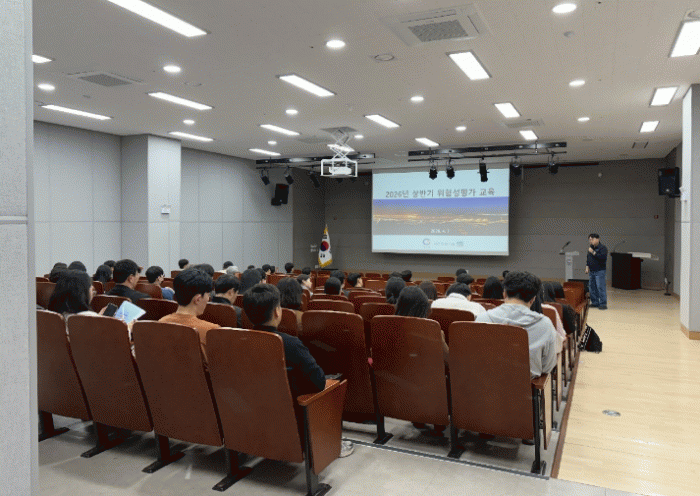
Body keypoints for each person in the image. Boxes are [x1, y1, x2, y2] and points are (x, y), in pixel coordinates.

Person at [242, 284, 355, 457]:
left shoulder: (240, 340)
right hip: (294, 417)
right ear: (277, 312)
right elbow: (319, 382)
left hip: (257, 415)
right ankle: (330, 443)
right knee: (333, 385)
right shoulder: (291, 344)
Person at [475, 271, 557, 378]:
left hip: (485, 383)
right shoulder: (545, 325)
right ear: (533, 299)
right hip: (527, 386)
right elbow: (547, 367)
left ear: (504, 294)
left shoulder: (482, 319)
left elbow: (475, 357)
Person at [159, 269, 219, 363]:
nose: (208, 299)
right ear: (198, 299)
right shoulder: (211, 331)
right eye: (208, 295)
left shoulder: (161, 322)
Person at [586, 233, 608, 310]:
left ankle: (603, 304)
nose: (590, 241)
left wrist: (593, 252)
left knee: (600, 287)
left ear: (597, 239)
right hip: (592, 271)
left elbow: (602, 258)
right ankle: (595, 302)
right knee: (592, 288)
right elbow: (588, 258)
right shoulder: (591, 248)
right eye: (589, 240)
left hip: (600, 271)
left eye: (592, 239)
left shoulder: (603, 248)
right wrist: (587, 266)